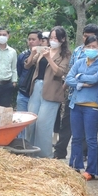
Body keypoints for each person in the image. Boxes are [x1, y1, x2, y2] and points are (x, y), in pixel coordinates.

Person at [53, 24, 98, 159]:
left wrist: (78, 77)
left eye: (89, 37)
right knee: (66, 125)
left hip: (92, 97)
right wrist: (72, 84)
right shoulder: (77, 51)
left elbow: (97, 78)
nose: (86, 39)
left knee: (88, 130)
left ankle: (82, 155)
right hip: (74, 95)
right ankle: (60, 152)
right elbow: (70, 74)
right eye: (84, 36)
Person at [64, 35, 98, 180]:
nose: (91, 49)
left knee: (90, 139)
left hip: (92, 106)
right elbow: (69, 78)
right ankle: (74, 166)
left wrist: (79, 77)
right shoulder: (79, 62)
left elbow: (96, 79)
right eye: (88, 47)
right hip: (76, 104)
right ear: (84, 48)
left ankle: (92, 170)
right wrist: (81, 83)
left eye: (94, 47)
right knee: (76, 138)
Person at [24, 26, 70, 158]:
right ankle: (29, 152)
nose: (53, 40)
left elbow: (60, 72)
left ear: (63, 39)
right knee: (31, 122)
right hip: (37, 87)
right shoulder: (44, 49)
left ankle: (44, 156)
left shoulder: (65, 54)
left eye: (56, 38)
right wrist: (33, 53)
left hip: (52, 90)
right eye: (51, 37)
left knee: (43, 125)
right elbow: (27, 65)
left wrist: (49, 58)